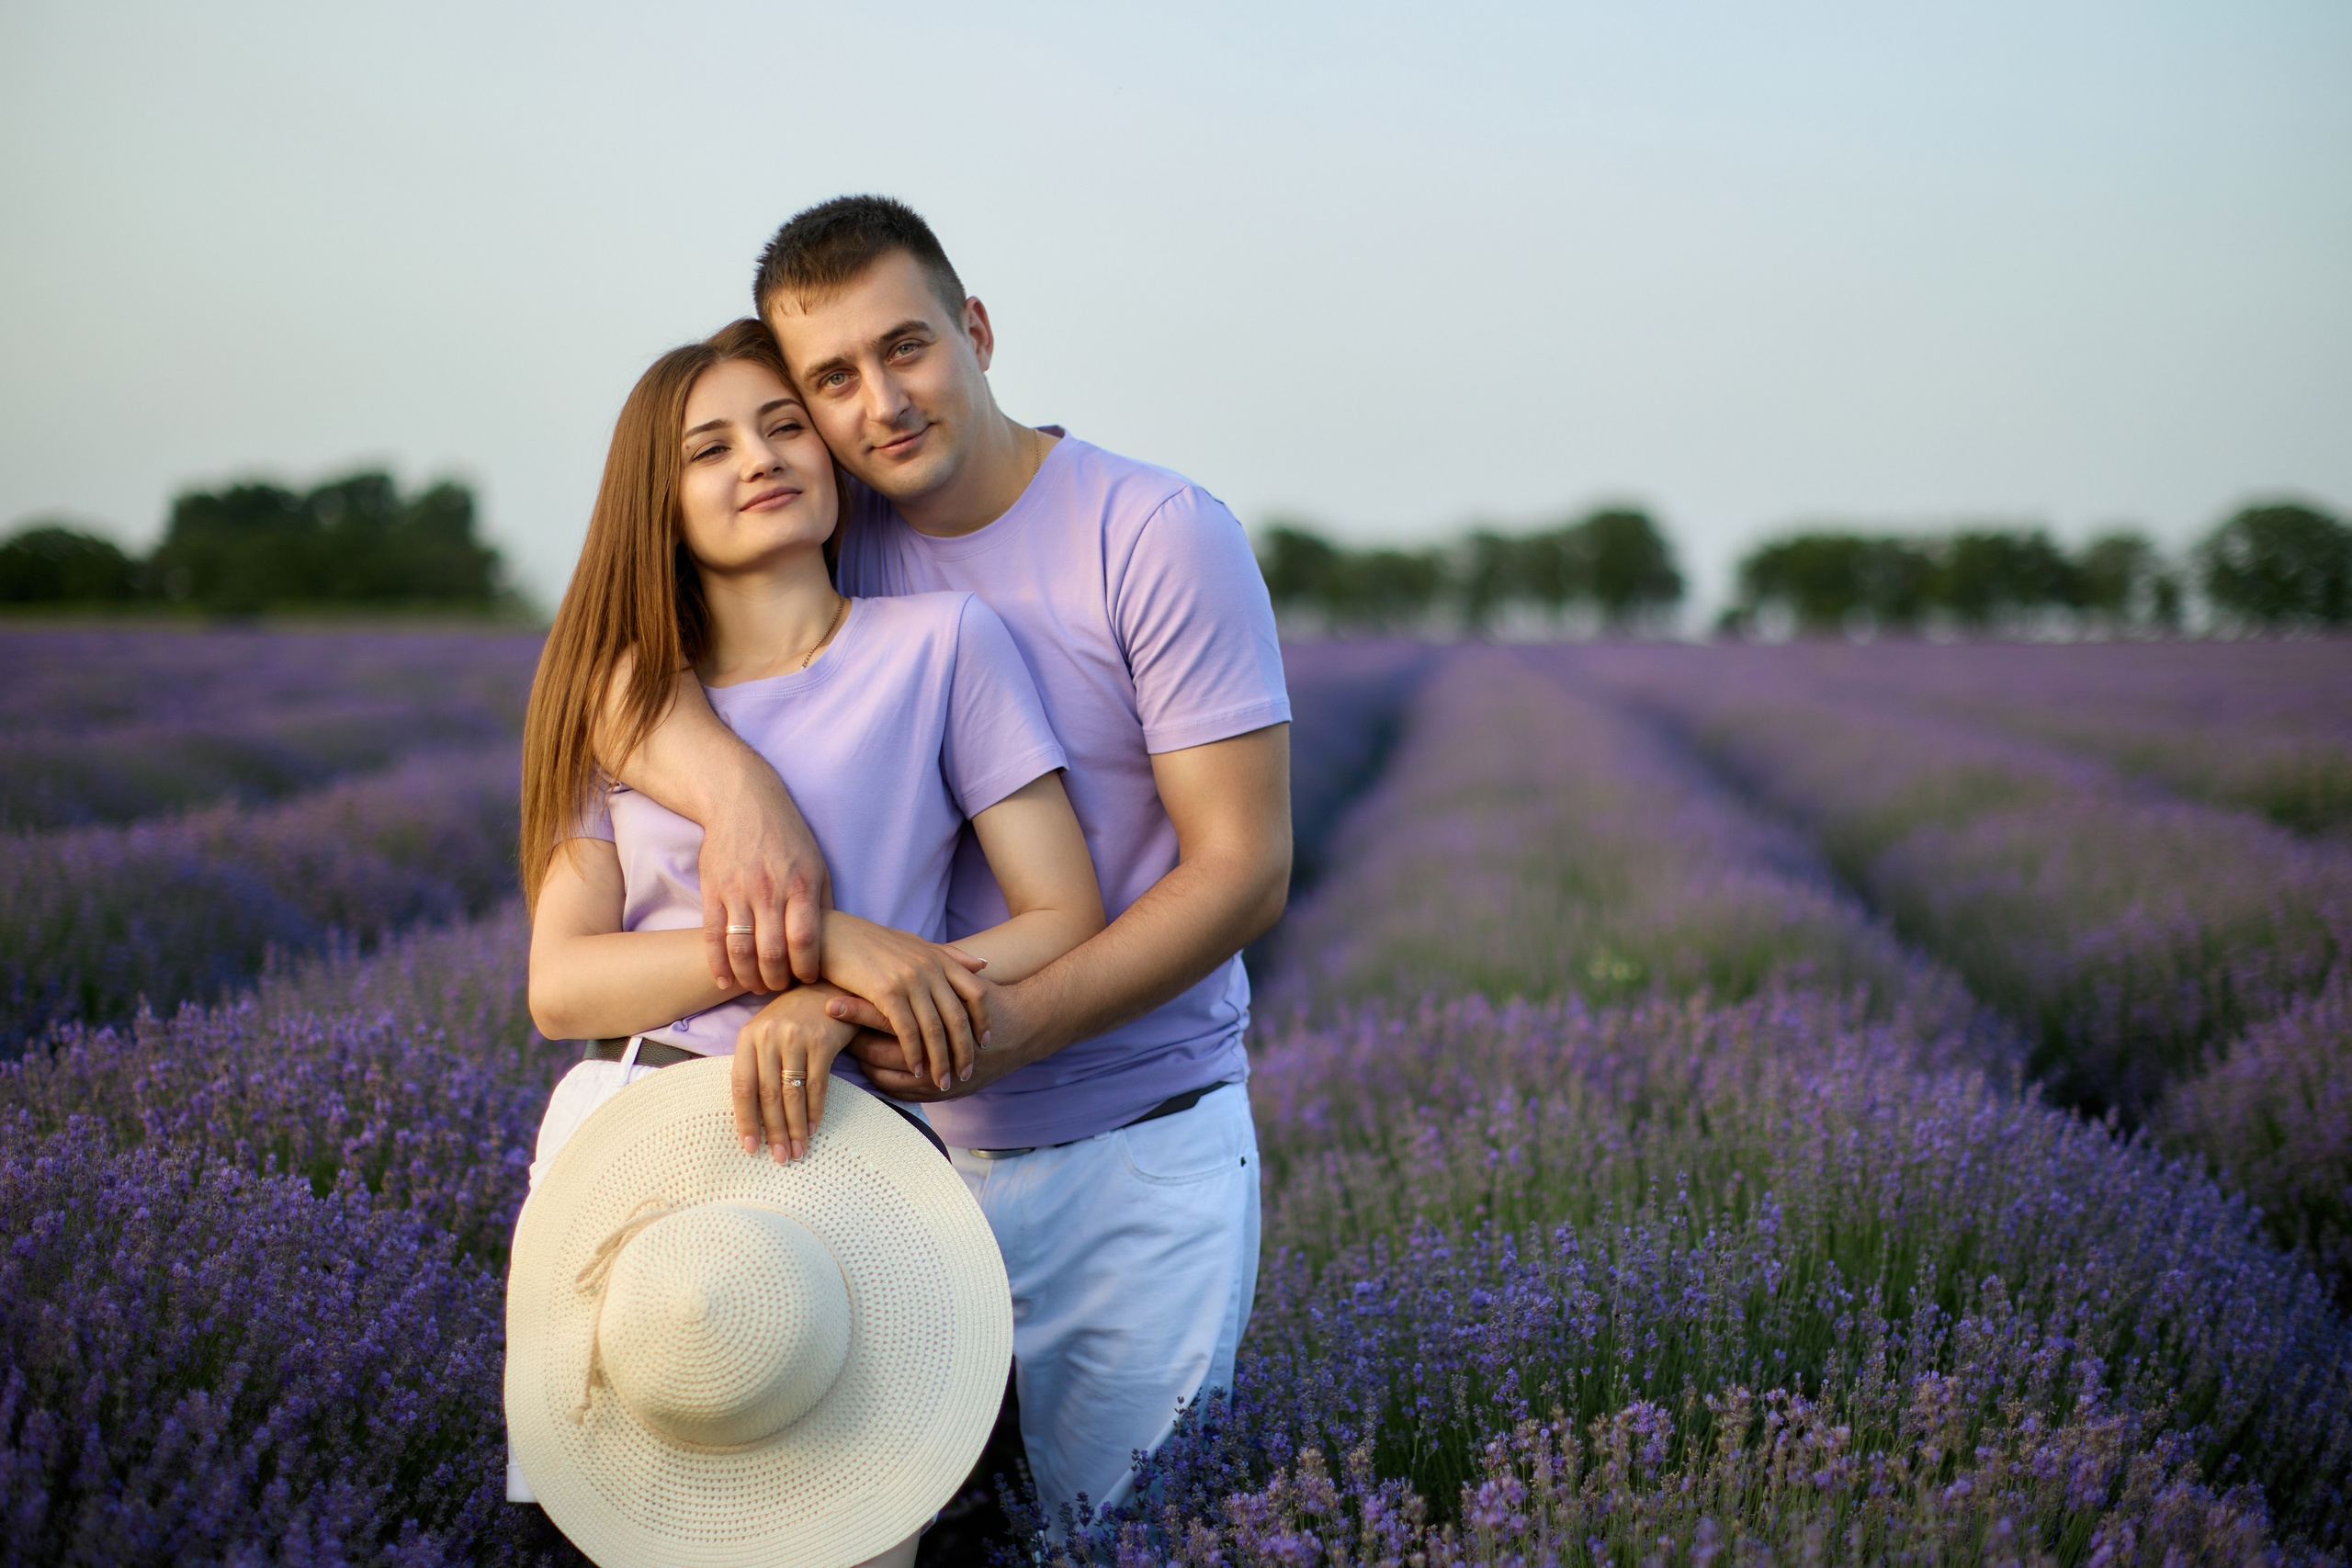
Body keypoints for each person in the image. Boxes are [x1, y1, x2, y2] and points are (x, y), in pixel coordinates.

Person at [605, 196, 1293, 1523]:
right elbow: (612, 673)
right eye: (832, 381)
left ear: (975, 331)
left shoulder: (1154, 534)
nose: (882, 403)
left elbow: (1243, 869)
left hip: (1130, 1150)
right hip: (871, 1151)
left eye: (907, 348)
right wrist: (735, 788)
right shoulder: (828, 526)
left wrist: (1014, 1024)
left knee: (1117, 1536)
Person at [510, 318, 1105, 1556]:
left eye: (785, 426)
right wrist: (823, 942)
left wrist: (835, 1005)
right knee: (640, 1531)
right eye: (708, 448)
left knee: (855, 1529)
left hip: (852, 1149)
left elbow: (1064, 915)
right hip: (632, 1139)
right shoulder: (613, 699)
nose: (760, 459)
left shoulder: (941, 648)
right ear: (657, 503)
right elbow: (565, 985)